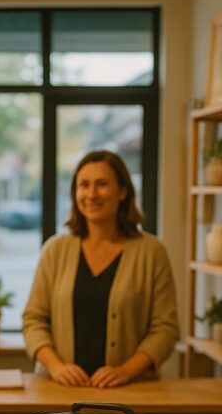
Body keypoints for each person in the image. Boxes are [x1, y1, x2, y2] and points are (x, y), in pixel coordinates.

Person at [22, 150, 178, 388]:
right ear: (75, 193)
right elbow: (33, 320)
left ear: (123, 192)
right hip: (60, 392)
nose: (91, 194)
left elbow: (165, 329)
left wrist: (125, 371)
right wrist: (56, 367)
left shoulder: (152, 252)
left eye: (102, 184)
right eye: (84, 185)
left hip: (130, 392)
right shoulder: (55, 250)